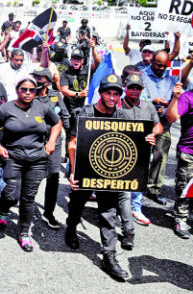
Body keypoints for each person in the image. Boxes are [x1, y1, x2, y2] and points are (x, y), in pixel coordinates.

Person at [64, 75, 156, 281]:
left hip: (110, 173)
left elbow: (134, 143)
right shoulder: (84, 113)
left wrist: (147, 140)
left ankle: (109, 255)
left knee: (108, 213)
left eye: (116, 94)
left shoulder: (122, 116)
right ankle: (71, 228)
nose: (112, 97)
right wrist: (73, 172)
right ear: (101, 93)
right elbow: (72, 144)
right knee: (77, 204)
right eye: (108, 93)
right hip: (85, 171)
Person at [0, 77, 62, 252]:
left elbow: (57, 123)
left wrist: (51, 142)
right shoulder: (5, 109)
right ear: (17, 90)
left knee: (28, 198)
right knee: (11, 194)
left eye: (32, 90)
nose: (28, 93)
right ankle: (3, 211)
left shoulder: (42, 107)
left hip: (37, 160)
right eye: (24, 90)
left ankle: (24, 233)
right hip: (13, 157)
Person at [120, 69, 163, 237]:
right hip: (121, 152)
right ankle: (119, 208)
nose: (135, 90)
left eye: (138, 88)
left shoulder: (148, 106)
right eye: (132, 87)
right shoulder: (118, 105)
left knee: (139, 181)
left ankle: (135, 208)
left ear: (142, 89)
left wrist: (153, 133)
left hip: (143, 151)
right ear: (125, 87)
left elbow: (158, 125)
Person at [32, 66, 70, 230]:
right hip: (34, 141)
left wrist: (71, 137)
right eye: (35, 77)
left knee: (53, 177)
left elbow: (65, 115)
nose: (37, 81)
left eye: (40, 78)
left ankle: (49, 213)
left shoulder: (55, 96)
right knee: (33, 177)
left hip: (54, 142)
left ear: (47, 81)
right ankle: (26, 210)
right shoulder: (29, 94)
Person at [141, 50, 180, 206]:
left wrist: (169, 104)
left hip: (163, 123)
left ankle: (153, 189)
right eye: (158, 65)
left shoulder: (172, 79)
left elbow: (173, 100)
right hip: (145, 122)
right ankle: (135, 185)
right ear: (152, 62)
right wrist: (153, 102)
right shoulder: (142, 75)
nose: (161, 68)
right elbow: (136, 96)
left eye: (164, 66)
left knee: (161, 156)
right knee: (141, 154)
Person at [161, 79, 193, 238]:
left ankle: (190, 214)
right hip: (190, 152)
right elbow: (172, 117)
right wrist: (175, 98)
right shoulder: (188, 97)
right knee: (185, 187)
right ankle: (180, 218)